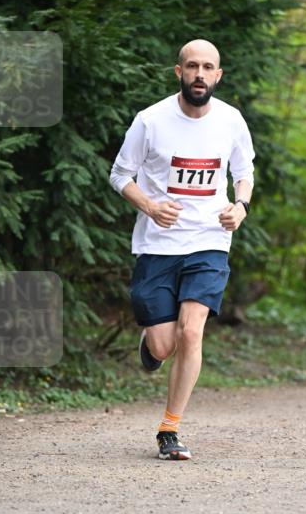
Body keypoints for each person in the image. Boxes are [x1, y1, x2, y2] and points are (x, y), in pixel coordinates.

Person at [109, 39, 255, 460]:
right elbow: (120, 175)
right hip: (157, 245)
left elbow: (244, 172)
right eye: (192, 66)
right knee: (164, 346)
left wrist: (240, 207)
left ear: (218, 75)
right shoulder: (151, 120)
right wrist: (150, 206)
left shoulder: (231, 120)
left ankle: (169, 430)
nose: (199, 74)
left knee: (192, 331)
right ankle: (151, 344)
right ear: (179, 71)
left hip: (210, 240)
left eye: (208, 67)